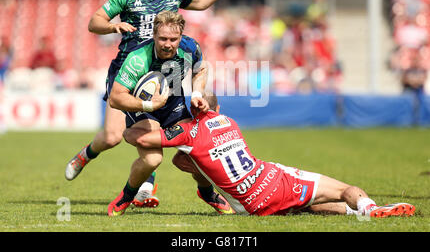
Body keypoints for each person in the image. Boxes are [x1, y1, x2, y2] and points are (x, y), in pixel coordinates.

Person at [64, 0, 248, 207]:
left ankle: (151, 186)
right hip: (130, 70)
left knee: (169, 131)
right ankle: (86, 155)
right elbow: (95, 22)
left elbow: (204, 1)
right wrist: (113, 28)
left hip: (165, 70)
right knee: (112, 137)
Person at [122, 91, 416, 218]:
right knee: (343, 190)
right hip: (272, 180)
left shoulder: (187, 132)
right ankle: (368, 207)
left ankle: (356, 215)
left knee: (308, 207)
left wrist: (135, 121)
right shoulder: (229, 121)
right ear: (218, 109)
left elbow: (144, 139)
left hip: (250, 206)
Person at [106, 11, 233, 216]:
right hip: (141, 108)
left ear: (181, 37)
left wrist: (196, 94)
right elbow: (115, 98)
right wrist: (148, 105)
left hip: (173, 103)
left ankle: (207, 193)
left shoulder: (190, 47)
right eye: (163, 38)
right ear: (154, 36)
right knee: (152, 160)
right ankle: (127, 196)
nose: (168, 44)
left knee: (199, 151)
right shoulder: (137, 58)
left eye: (173, 39)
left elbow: (201, 69)